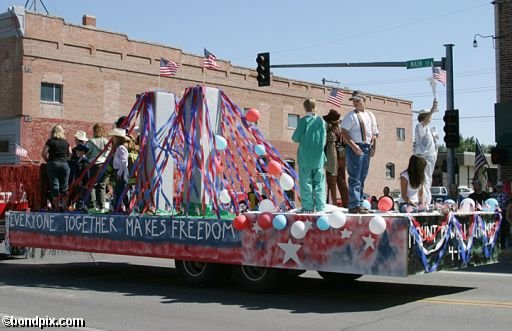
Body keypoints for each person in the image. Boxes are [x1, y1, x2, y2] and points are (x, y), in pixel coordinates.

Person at [341, 90, 379, 214]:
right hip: (355, 147)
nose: (355, 103)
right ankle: (354, 205)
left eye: (358, 100)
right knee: (355, 177)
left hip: (367, 147)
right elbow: (344, 132)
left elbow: (374, 133)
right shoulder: (350, 115)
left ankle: (360, 203)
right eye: (354, 101)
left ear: (364, 100)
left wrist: (374, 148)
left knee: (362, 176)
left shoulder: (370, 115)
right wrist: (353, 146)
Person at [291, 98, 327, 213]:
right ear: (315, 107)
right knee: (319, 183)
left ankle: (308, 207)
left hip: (305, 157)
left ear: (304, 107)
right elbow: (324, 139)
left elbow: (295, 138)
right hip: (319, 158)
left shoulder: (302, 121)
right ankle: (321, 206)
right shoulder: (321, 121)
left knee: (306, 183)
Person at [413, 99, 439, 205]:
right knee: (424, 180)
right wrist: (432, 110)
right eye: (429, 115)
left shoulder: (428, 130)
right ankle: (423, 201)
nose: (431, 117)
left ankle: (426, 200)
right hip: (423, 157)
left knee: (428, 179)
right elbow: (423, 125)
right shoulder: (420, 126)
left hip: (430, 158)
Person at [41, 124, 71, 210]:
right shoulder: (66, 142)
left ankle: (57, 208)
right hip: (64, 165)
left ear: (53, 132)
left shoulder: (50, 141)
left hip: (53, 164)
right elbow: (70, 153)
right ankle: (64, 207)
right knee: (65, 187)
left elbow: (43, 153)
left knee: (55, 187)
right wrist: (66, 160)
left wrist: (48, 161)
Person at [85, 123, 110, 212]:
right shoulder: (106, 141)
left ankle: (93, 206)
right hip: (104, 165)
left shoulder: (91, 142)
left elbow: (86, 153)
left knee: (92, 185)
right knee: (102, 186)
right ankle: (102, 207)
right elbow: (109, 152)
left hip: (94, 165)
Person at [323, 109, 342, 206]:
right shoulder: (334, 129)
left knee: (331, 181)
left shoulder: (332, 130)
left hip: (333, 159)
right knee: (333, 181)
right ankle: (331, 202)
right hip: (333, 158)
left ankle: (331, 203)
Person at [109, 128, 130, 212]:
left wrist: (119, 173)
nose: (113, 139)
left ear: (117, 138)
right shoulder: (118, 148)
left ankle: (126, 207)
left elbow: (124, 162)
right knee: (118, 190)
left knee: (121, 190)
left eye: (114, 137)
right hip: (118, 171)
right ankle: (119, 207)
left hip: (120, 171)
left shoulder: (121, 148)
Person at [73, 143, 90, 211]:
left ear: (83, 152)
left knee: (81, 194)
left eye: (78, 150)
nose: (77, 152)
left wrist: (82, 180)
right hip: (78, 180)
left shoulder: (85, 161)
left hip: (82, 181)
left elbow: (85, 172)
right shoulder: (78, 160)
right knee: (78, 194)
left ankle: (82, 207)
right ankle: (79, 207)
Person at [493, 181, 509, 248]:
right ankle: (495, 244)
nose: (499, 188)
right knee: (495, 229)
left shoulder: (506, 195)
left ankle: (502, 244)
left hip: (503, 213)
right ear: (496, 188)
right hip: (495, 213)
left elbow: (507, 204)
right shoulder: (493, 195)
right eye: (498, 187)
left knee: (503, 229)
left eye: (500, 187)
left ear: (502, 188)